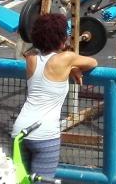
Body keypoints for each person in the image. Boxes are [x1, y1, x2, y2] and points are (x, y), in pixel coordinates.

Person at [12, 13, 98, 180]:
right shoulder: (66, 58)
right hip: (44, 135)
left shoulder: (30, 57)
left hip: (19, 131)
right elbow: (93, 62)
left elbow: (35, 50)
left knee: (20, 181)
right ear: (62, 38)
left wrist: (70, 67)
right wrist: (73, 66)